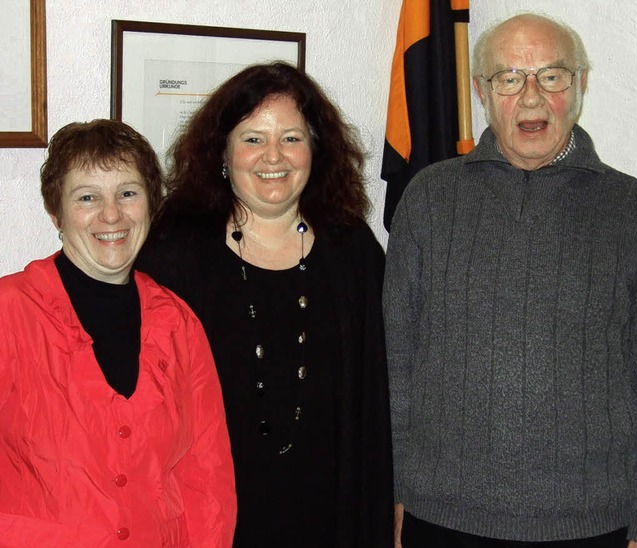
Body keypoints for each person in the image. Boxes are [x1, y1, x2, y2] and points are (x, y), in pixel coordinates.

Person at [384, 12, 637, 548]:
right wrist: (397, 487)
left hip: (592, 521)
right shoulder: (430, 198)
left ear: (580, 85)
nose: (531, 97)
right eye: (509, 77)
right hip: (442, 516)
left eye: (551, 76)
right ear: (482, 90)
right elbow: (397, 356)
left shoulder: (630, 210)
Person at [136, 61, 394, 547]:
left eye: (292, 138)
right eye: (253, 138)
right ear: (221, 151)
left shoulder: (352, 250)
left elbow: (376, 401)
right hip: (210, 516)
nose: (273, 155)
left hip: (329, 514)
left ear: (316, 148)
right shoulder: (174, 252)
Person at [0, 119, 236, 546]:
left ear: (151, 203)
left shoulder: (180, 325)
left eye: (127, 193)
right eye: (87, 197)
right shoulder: (8, 313)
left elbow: (208, 479)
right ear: (56, 211)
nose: (111, 214)